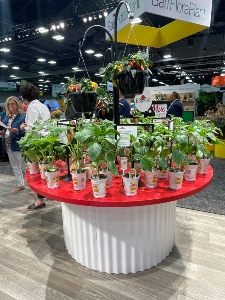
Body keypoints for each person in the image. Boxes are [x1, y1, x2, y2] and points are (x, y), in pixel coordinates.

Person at [20, 83, 50, 210]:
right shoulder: (43, 106)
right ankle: (47, 193)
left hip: (38, 143)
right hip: (48, 141)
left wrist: (23, 127)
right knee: (46, 169)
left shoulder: (32, 108)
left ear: (25, 97)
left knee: (37, 172)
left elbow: (32, 129)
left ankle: (40, 200)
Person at [0, 96, 26, 193]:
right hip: (8, 145)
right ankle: (20, 184)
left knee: (25, 166)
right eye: (8, 104)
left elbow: (27, 131)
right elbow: (3, 127)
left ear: (17, 104)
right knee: (15, 166)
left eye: (12, 103)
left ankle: (32, 187)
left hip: (18, 144)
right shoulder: (6, 117)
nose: (10, 105)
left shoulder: (23, 116)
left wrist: (18, 131)